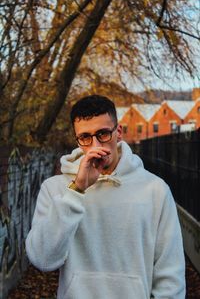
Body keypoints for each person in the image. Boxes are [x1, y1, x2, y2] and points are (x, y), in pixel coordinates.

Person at [26, 95, 185, 298]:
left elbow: (170, 274)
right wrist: (76, 190)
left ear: (118, 133)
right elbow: (43, 259)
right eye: (85, 137)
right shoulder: (56, 189)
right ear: (77, 139)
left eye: (103, 134)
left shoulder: (155, 190)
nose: (95, 145)